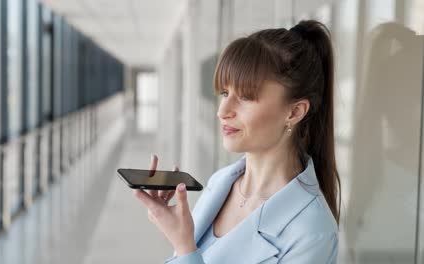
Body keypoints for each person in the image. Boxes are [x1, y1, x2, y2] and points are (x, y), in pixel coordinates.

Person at [133, 19, 341, 263]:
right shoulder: (220, 182)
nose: (223, 110)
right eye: (224, 93)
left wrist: (184, 246)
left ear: (294, 113)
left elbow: (188, 254)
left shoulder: (313, 233)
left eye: (245, 97)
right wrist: (178, 235)